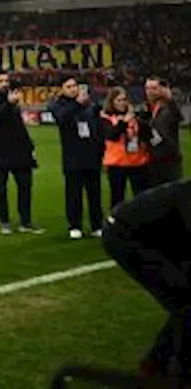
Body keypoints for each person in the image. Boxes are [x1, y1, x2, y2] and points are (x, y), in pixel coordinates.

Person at [101, 177, 191, 380]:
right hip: (124, 235)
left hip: (148, 235)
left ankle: (155, 363)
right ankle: (175, 372)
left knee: (183, 300)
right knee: (185, 301)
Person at [0, 73, 44, 235]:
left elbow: (19, 126)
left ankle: (26, 221)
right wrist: (8, 104)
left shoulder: (12, 99)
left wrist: (30, 147)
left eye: (6, 81)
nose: (4, 84)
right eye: (1, 81)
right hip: (0, 150)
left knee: (25, 186)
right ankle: (4, 221)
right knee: (1, 188)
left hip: (19, 150)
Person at [47, 77, 105, 239]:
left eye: (75, 86)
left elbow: (99, 128)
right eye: (69, 86)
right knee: (73, 194)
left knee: (95, 193)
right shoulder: (58, 104)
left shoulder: (91, 104)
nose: (73, 89)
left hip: (91, 155)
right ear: (62, 89)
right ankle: (75, 225)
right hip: (73, 157)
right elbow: (61, 118)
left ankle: (97, 225)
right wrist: (77, 104)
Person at [103, 87, 151, 210]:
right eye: (118, 100)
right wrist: (124, 122)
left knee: (142, 197)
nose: (122, 103)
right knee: (117, 198)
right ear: (112, 102)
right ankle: (117, 224)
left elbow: (147, 136)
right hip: (117, 163)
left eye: (124, 100)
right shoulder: (107, 118)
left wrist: (139, 120)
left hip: (137, 162)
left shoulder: (135, 118)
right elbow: (111, 135)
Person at [146, 76, 184, 187]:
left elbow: (178, 116)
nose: (150, 92)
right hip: (154, 161)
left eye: (154, 88)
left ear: (162, 90)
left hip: (170, 161)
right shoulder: (148, 109)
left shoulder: (169, 107)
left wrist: (170, 98)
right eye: (147, 88)